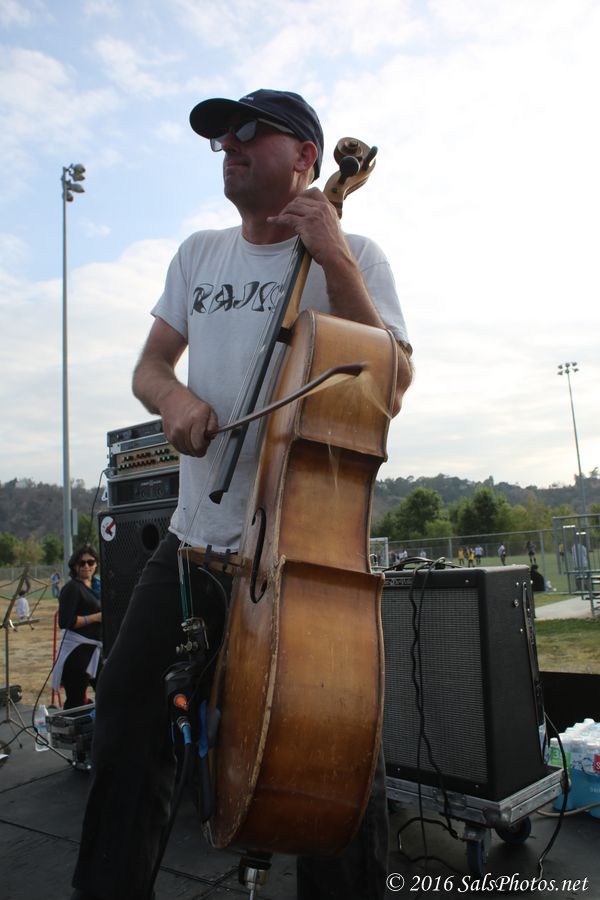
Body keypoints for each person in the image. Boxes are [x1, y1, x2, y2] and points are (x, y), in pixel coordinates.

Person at [70, 88, 412, 900]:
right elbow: (149, 367)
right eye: (222, 136)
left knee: (334, 743)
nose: (230, 145)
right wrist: (174, 400)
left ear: (305, 157)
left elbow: (389, 385)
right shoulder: (199, 255)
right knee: (125, 714)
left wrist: (333, 257)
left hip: (298, 559)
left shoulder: (357, 255)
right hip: (193, 545)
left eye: (249, 132)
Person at [54, 544, 103, 710]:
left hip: (95, 650)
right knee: (75, 700)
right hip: (77, 653)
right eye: (82, 563)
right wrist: (95, 618)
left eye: (91, 562)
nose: (86, 566)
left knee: (107, 692)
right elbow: (65, 621)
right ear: (75, 566)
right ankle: (71, 726)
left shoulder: (97, 586)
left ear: (96, 564)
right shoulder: (72, 588)